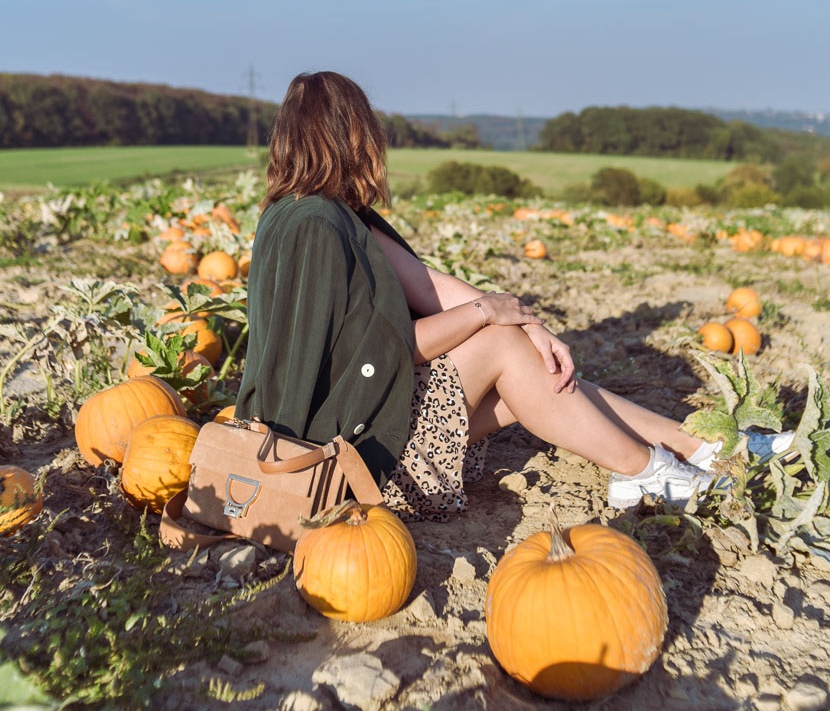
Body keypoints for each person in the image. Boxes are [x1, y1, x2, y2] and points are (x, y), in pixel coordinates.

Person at [236, 71, 786, 518]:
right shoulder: (314, 227)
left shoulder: (335, 215)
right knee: (503, 352)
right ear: (348, 134)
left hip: (358, 420)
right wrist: (487, 315)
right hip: (334, 461)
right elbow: (382, 353)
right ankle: (648, 470)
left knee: (536, 368)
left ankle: (700, 449)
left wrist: (529, 325)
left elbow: (433, 288)